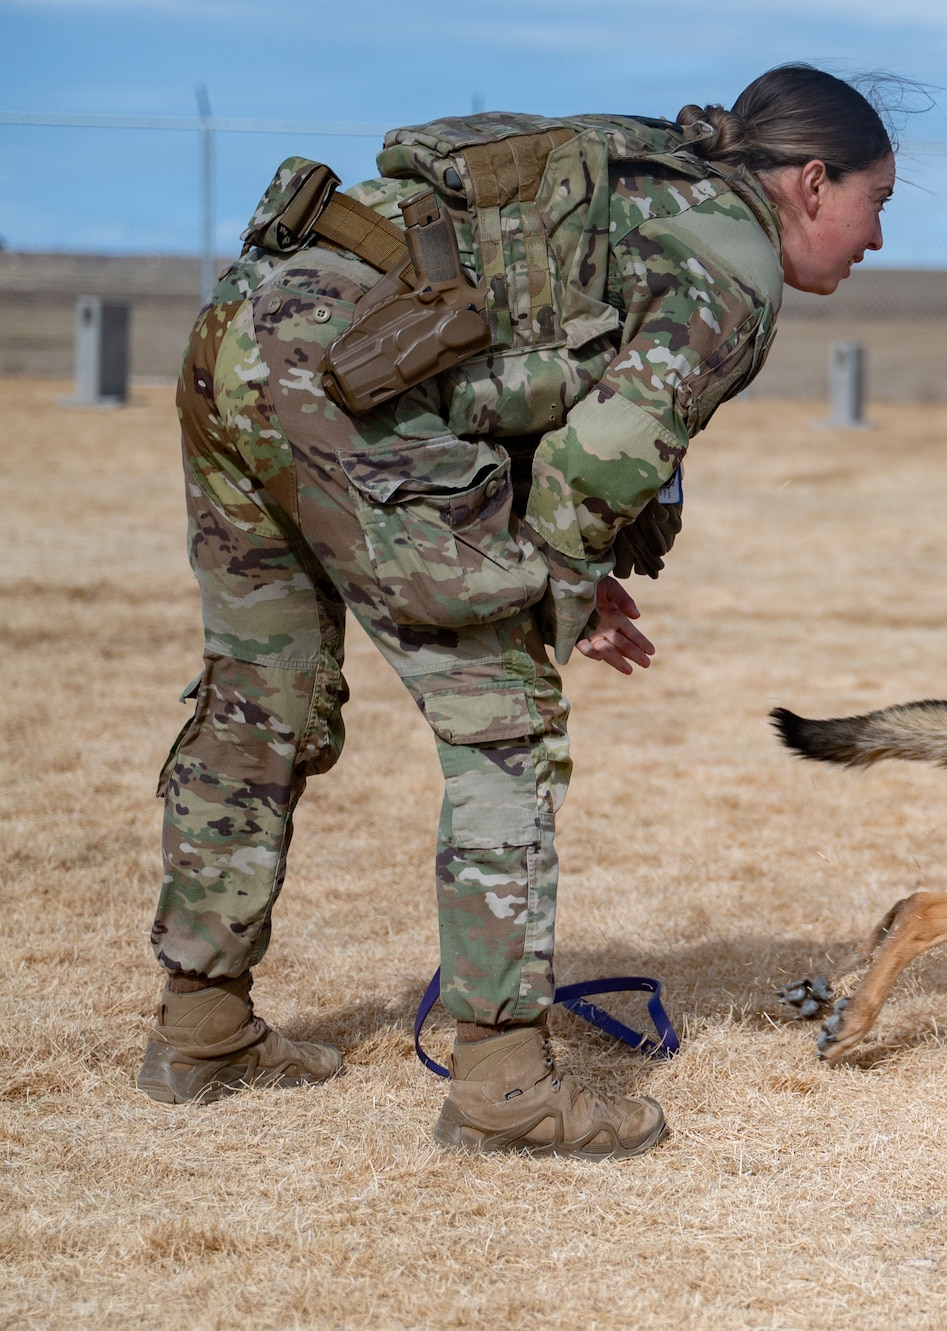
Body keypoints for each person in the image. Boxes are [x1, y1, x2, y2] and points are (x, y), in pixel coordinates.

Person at [141, 64, 898, 1160]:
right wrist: (565, 586)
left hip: (242, 333)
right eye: (878, 203)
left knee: (260, 698)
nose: (878, 239)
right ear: (813, 182)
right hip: (344, 387)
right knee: (504, 723)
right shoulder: (733, 261)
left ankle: (201, 1027)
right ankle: (504, 1087)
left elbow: (530, 385)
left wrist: (568, 571)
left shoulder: (650, 177)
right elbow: (596, 462)